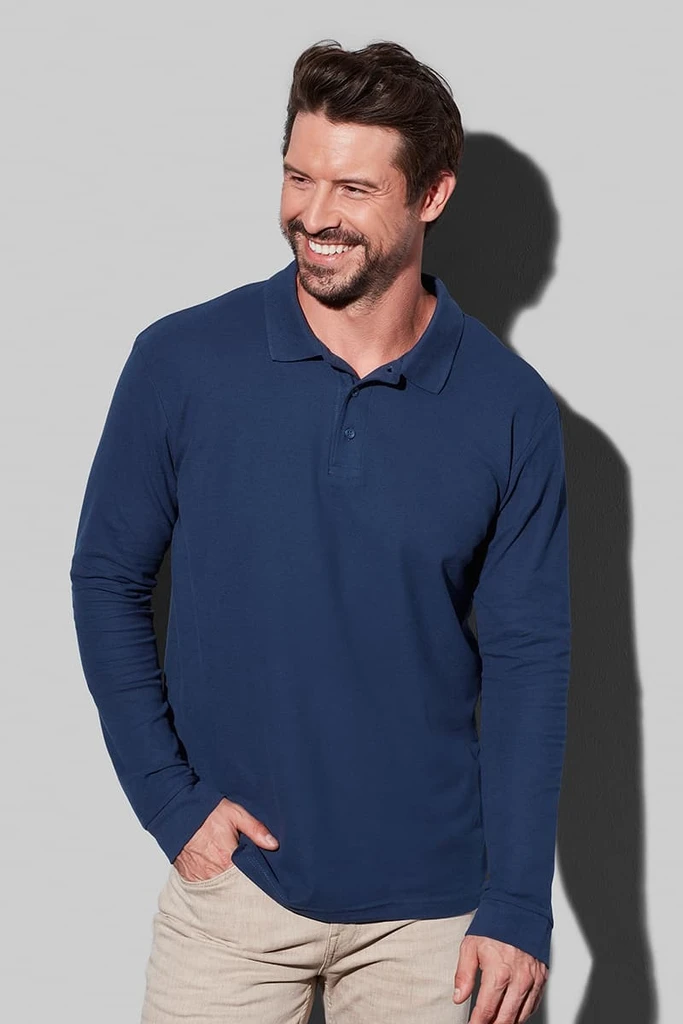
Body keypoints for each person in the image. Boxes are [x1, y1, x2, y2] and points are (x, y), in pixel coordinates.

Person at [70, 38, 571, 1024]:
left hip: (434, 918)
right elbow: (105, 577)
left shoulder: (507, 407)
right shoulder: (181, 362)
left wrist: (517, 900)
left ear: (431, 196)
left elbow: (528, 660)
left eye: (352, 187)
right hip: (232, 897)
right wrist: (170, 803)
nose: (313, 213)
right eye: (298, 176)